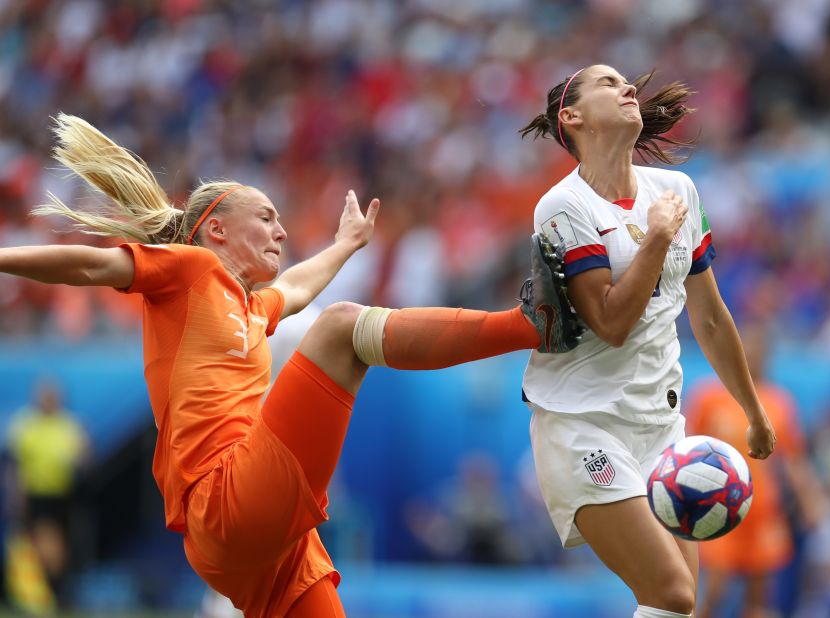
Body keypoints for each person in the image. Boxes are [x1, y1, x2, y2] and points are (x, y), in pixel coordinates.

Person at [0, 113, 584, 617]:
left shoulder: (254, 306)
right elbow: (89, 266)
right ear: (217, 229)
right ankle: (530, 326)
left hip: (257, 545)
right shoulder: (191, 271)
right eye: (267, 216)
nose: (281, 229)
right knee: (340, 329)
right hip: (224, 497)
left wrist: (347, 243)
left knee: (328, 323)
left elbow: (299, 285)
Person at [518, 65, 777, 618]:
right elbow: (610, 324)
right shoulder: (562, 206)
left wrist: (752, 410)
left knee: (679, 609)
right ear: (573, 116)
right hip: (584, 427)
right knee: (671, 593)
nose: (628, 88)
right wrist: (658, 235)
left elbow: (709, 317)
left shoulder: (677, 190)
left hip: (661, 431)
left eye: (626, 81)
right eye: (608, 84)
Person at [686, 324, 825, 617]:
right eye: (745, 352)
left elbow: (793, 458)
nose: (751, 358)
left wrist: (811, 501)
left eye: (757, 353)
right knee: (716, 592)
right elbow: (687, 449)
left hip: (763, 510)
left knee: (758, 601)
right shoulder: (709, 397)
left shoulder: (778, 402)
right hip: (720, 509)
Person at [7, 379, 89, 605]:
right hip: (36, 494)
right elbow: (14, 464)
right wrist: (16, 492)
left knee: (58, 544)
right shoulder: (25, 424)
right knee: (42, 542)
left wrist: (79, 458)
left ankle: (53, 589)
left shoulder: (69, 425)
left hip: (62, 494)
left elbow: (85, 457)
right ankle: (42, 591)